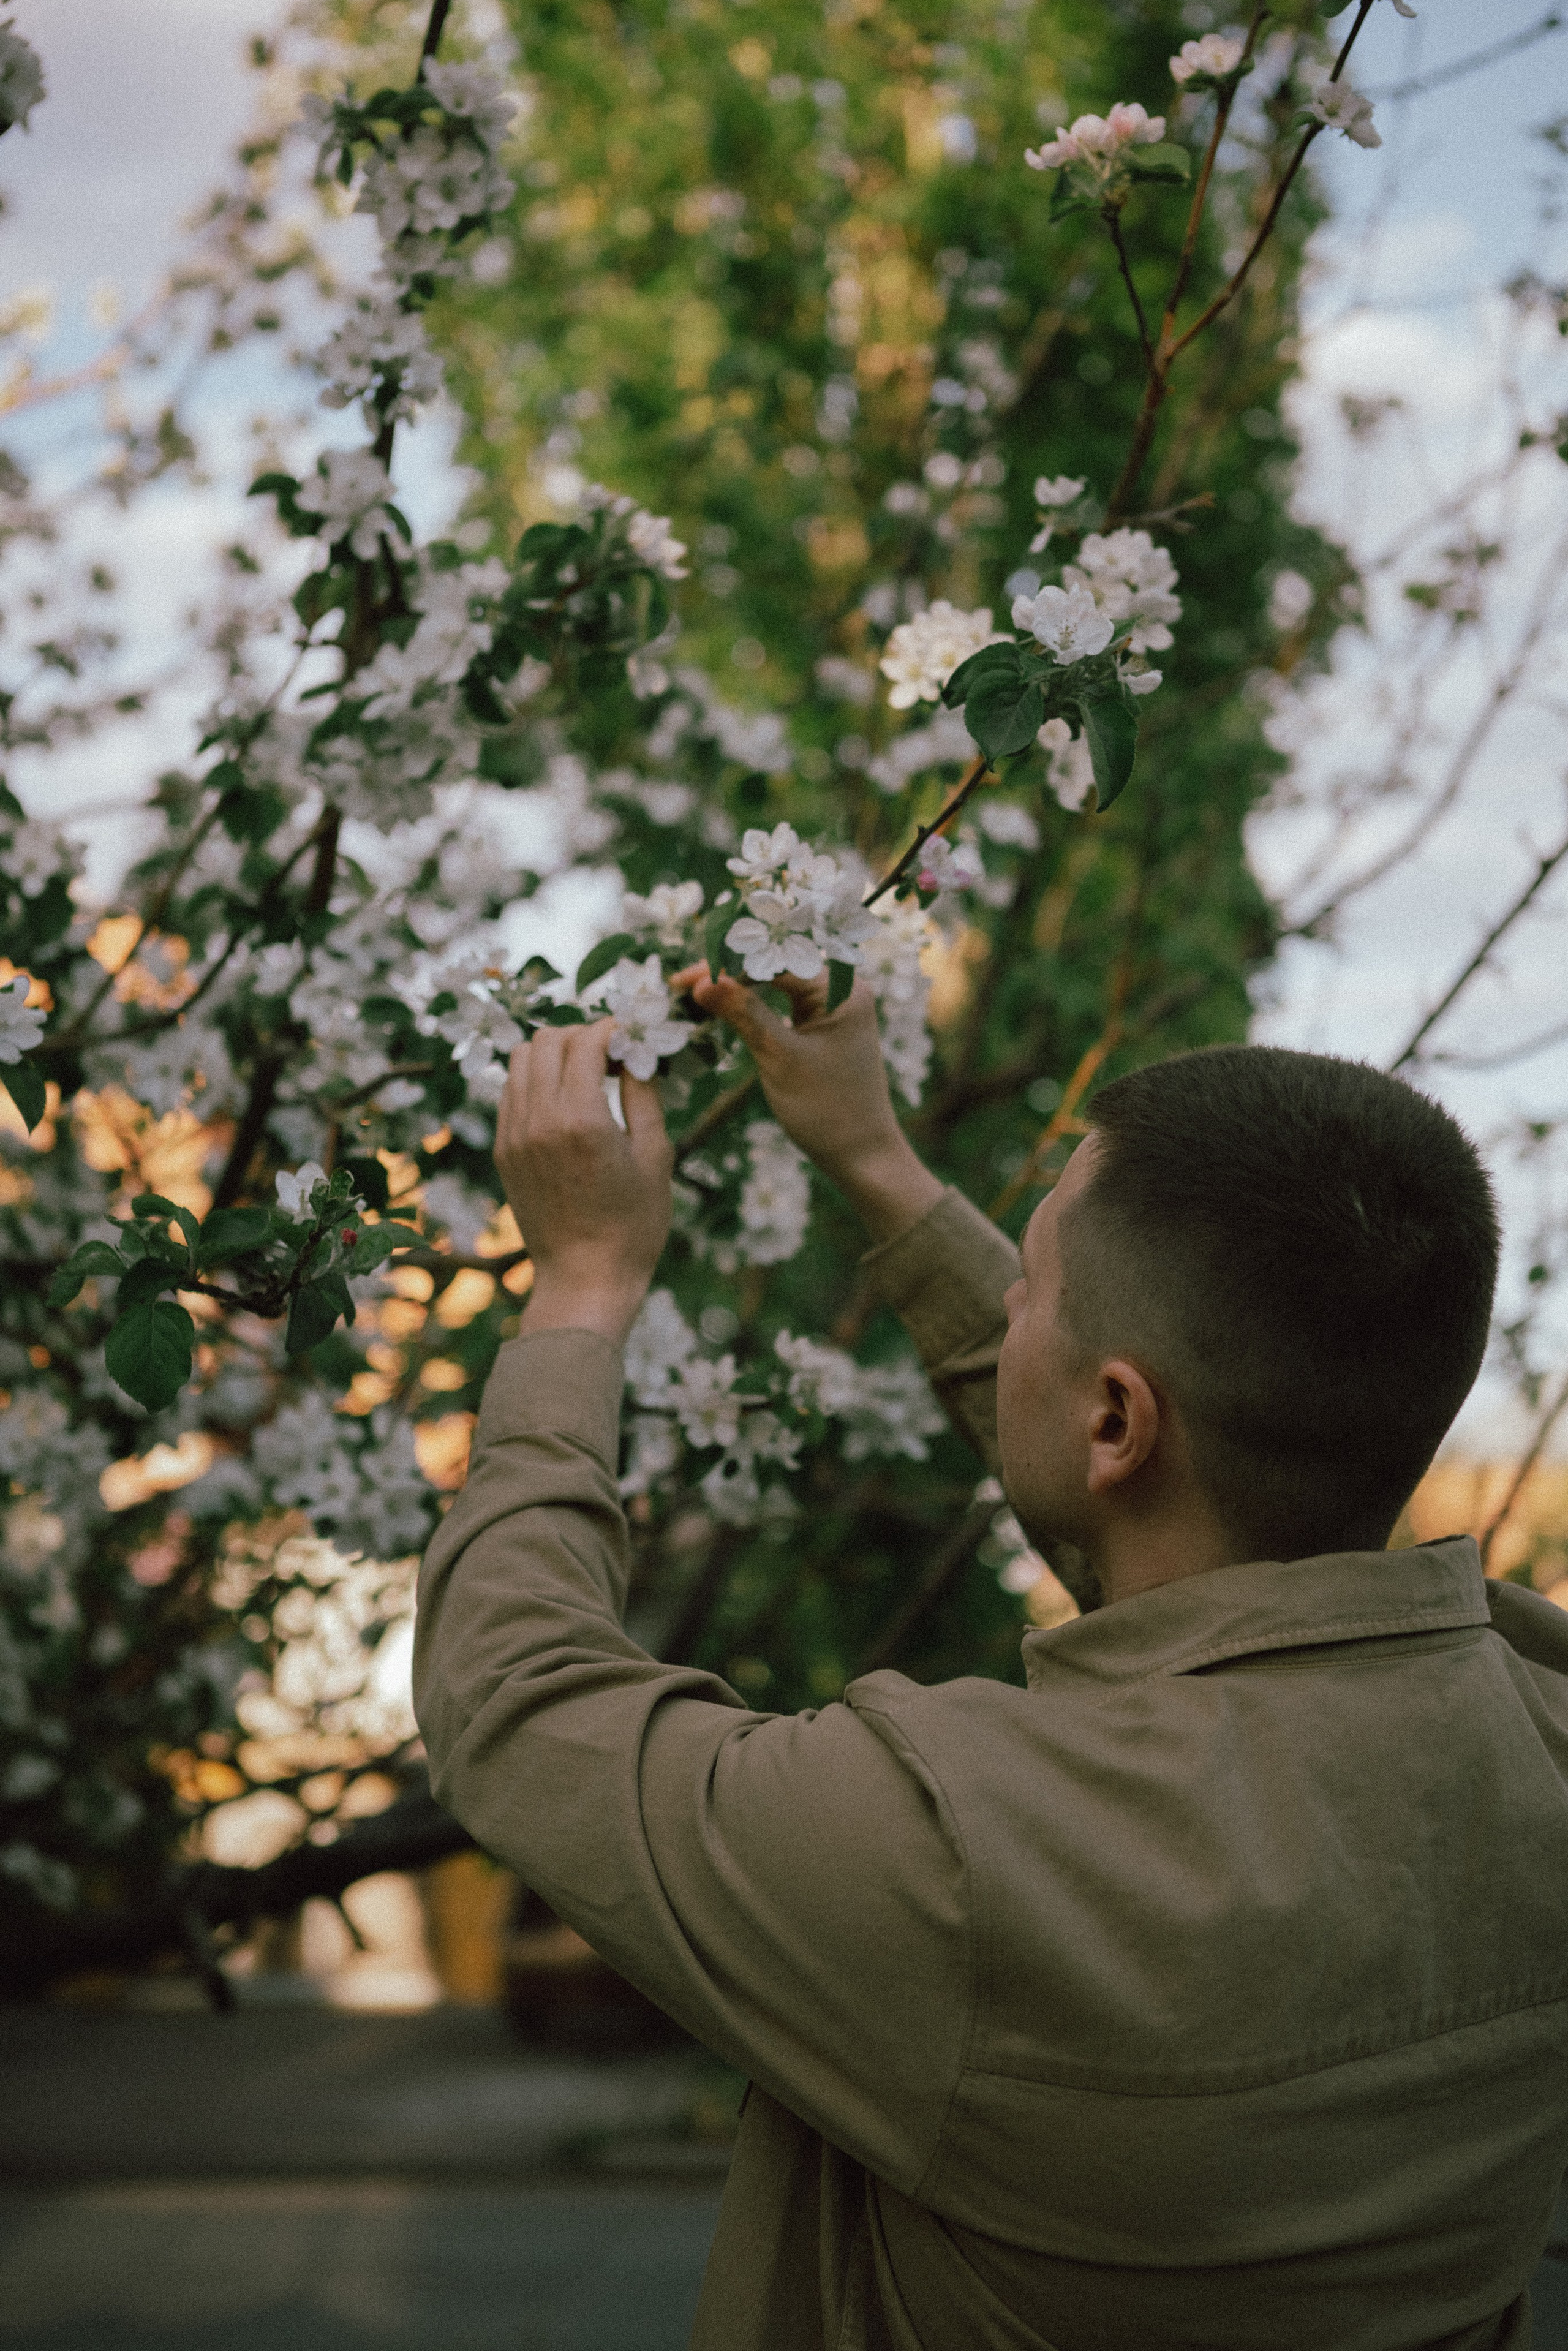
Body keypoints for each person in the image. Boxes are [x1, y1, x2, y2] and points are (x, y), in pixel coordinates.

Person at [413, 970, 1568, 2351]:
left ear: (1117, 1418)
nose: (1006, 1310)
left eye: (1023, 1291)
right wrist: (869, 1156)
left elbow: (519, 1706)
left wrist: (584, 1285)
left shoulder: (957, 1854)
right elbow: (1170, 1538)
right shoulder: (1534, 1720)